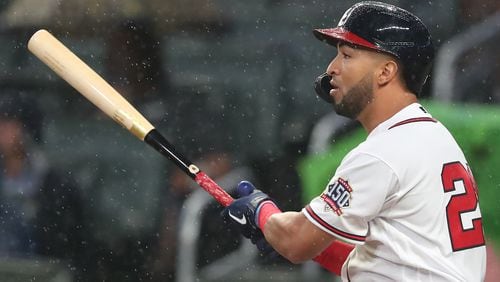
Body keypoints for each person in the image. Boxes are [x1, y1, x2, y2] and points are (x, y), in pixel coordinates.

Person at [222, 1, 486, 281]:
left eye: (347, 55)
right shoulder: (434, 137)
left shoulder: (383, 152)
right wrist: (289, 235)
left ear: (385, 72)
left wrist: (262, 211)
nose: (331, 68)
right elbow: (385, 264)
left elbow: (295, 241)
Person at [0, 92, 89, 279]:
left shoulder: (56, 184)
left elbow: (65, 249)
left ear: (26, 127)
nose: (1, 129)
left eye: (7, 122)